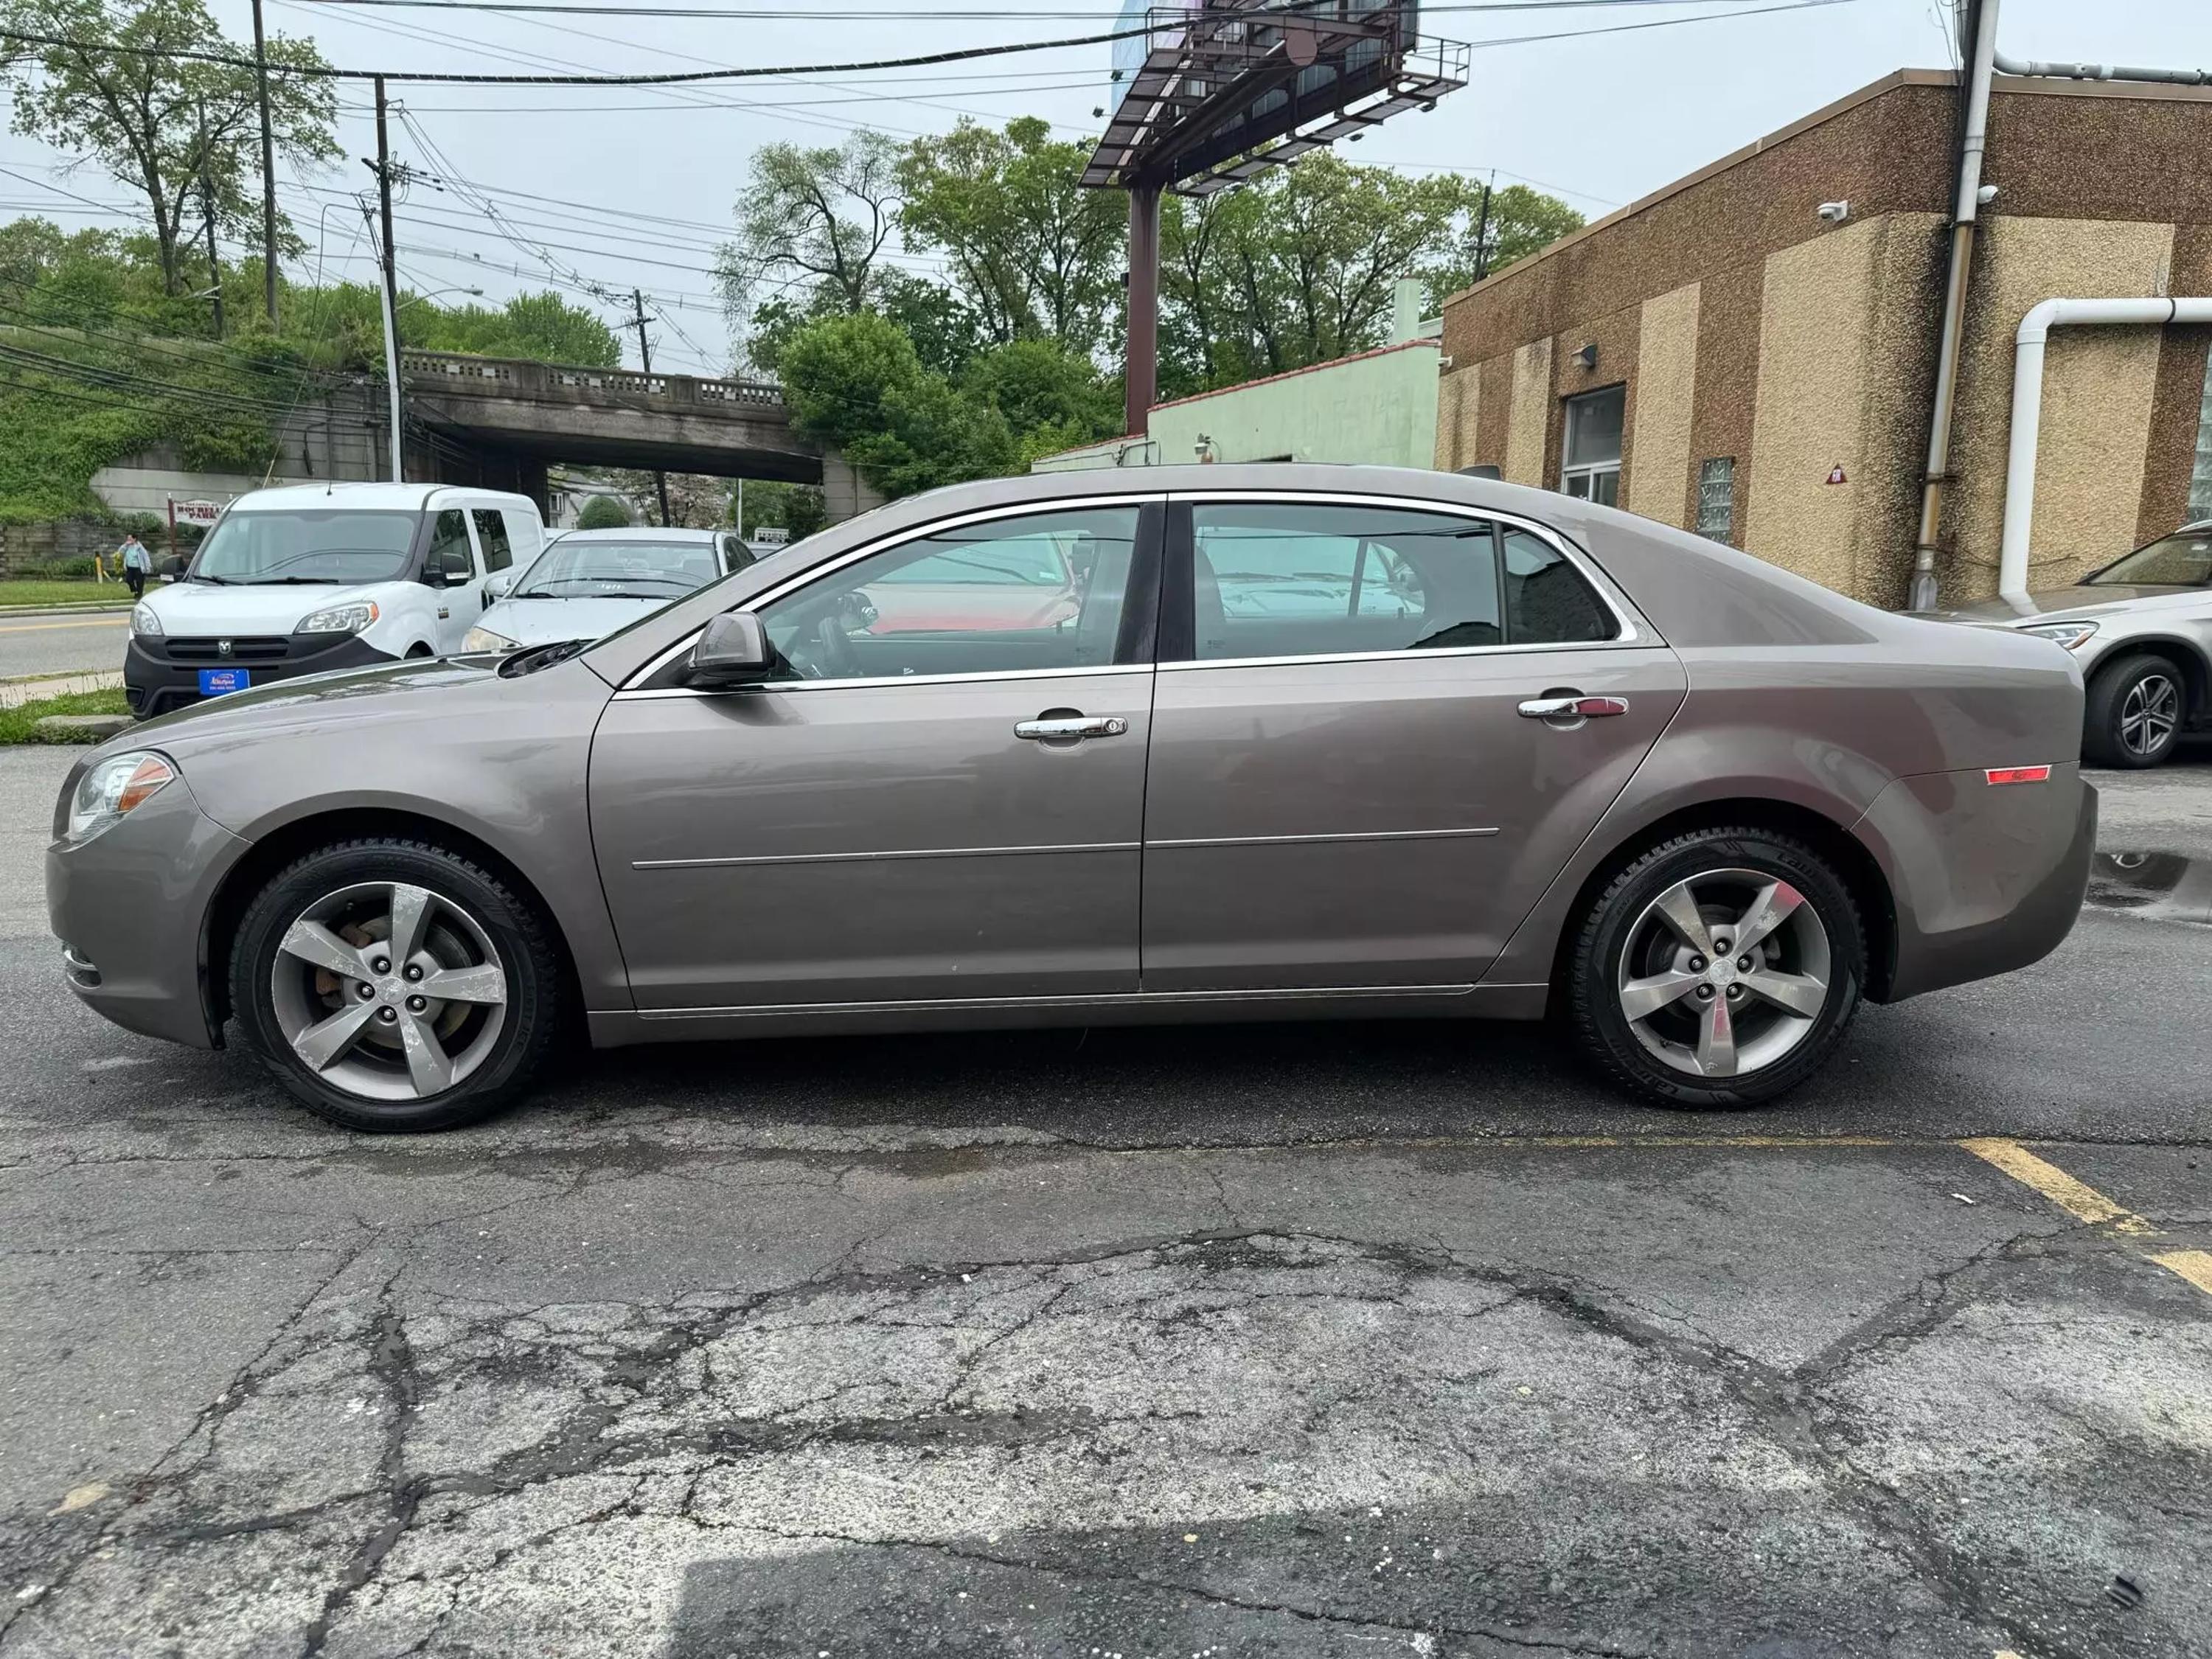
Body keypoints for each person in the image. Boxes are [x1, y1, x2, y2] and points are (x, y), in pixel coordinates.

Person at [117, 534, 150, 599]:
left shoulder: (139, 547)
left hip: (138, 568)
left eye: (130, 539)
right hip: (130, 567)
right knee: (129, 580)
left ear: (134, 539)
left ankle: (139, 595)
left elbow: (145, 556)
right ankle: (135, 590)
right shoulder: (127, 547)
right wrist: (125, 545)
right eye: (128, 539)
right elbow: (120, 552)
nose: (129, 540)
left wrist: (148, 566)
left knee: (139, 582)